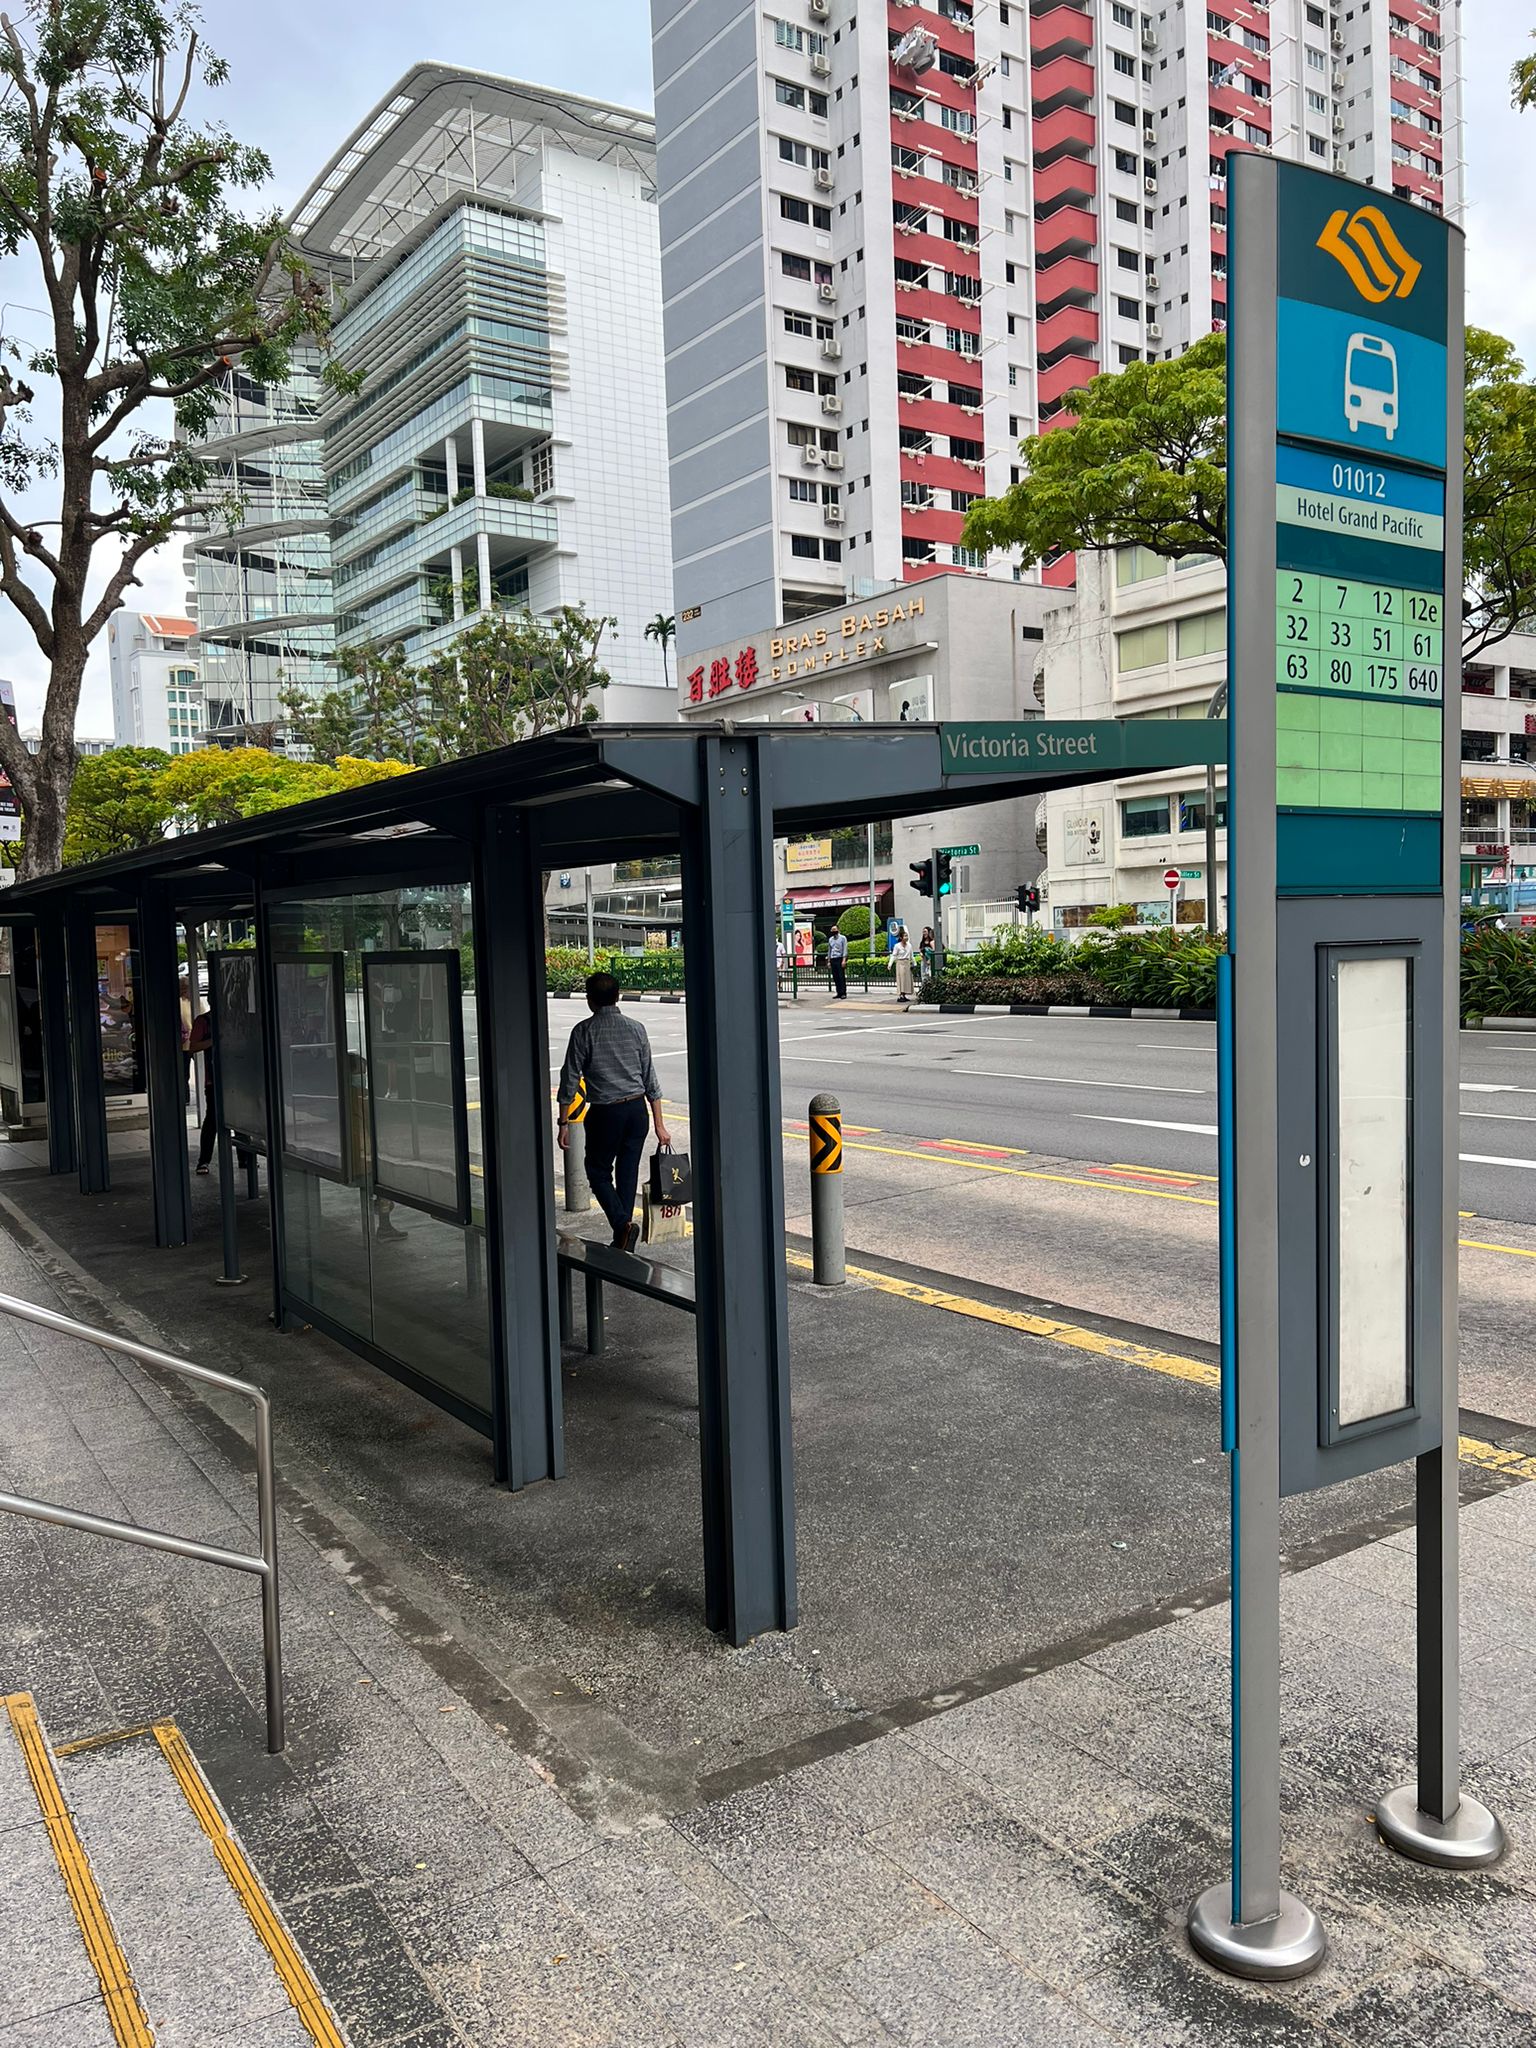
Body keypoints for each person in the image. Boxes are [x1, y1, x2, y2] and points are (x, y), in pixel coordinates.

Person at [557, 972, 671, 1253]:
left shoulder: (583, 1031)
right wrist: (660, 1125)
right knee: (627, 1171)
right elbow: (650, 1079)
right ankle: (623, 1239)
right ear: (618, 996)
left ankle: (622, 1226)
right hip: (637, 1112)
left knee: (597, 1171)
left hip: (606, 1114)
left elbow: (570, 1079)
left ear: (589, 1000)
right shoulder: (637, 1028)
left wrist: (563, 1122)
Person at [892, 926, 915, 1004]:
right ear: (901, 938)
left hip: (907, 963)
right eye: (905, 936)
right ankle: (901, 995)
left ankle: (904, 994)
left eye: (907, 936)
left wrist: (914, 963)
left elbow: (912, 955)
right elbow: (894, 955)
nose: (906, 937)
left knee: (907, 979)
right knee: (901, 978)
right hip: (900, 963)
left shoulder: (909, 946)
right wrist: (890, 964)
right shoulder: (897, 946)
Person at [826, 924, 849, 1001]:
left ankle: (843, 993)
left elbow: (845, 949)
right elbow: (829, 950)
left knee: (841, 976)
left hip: (840, 958)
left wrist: (844, 960)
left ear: (838, 930)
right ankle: (838, 992)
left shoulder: (843, 938)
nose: (833, 931)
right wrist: (829, 961)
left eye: (835, 930)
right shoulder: (830, 939)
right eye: (832, 930)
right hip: (833, 958)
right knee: (835, 977)